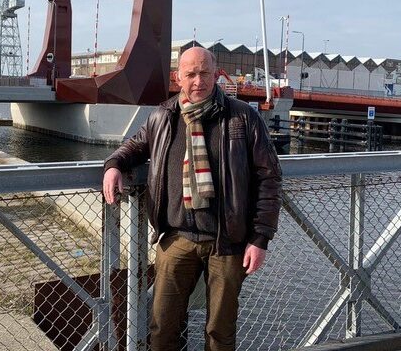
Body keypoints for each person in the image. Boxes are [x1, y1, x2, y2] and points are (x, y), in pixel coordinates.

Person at [102, 46, 282, 351]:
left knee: (219, 333)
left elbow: (269, 177)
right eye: (191, 74)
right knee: (162, 327)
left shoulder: (242, 117)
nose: (199, 80)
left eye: (205, 73)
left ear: (215, 74)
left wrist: (260, 238)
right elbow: (134, 145)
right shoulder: (163, 116)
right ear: (178, 77)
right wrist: (114, 165)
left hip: (227, 241)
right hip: (176, 238)